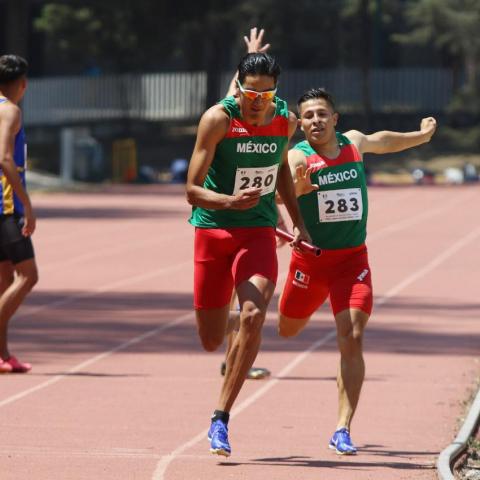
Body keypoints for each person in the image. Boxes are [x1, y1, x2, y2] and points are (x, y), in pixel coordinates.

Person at [278, 87, 437, 454]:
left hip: (352, 262)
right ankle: (304, 303)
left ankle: (342, 429)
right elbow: (273, 193)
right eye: (308, 116)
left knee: (352, 336)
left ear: (335, 119)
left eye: (322, 114)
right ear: (300, 125)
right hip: (310, 263)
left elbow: (384, 141)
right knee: (288, 330)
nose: (315, 120)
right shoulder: (297, 159)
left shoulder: (352, 144)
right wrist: (294, 193)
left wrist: (422, 136)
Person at [186, 48, 310, 457]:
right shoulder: (217, 119)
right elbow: (191, 190)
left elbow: (281, 177)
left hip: (257, 231)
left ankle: (220, 417)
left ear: (277, 92)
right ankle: (234, 321)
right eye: (250, 95)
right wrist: (228, 200)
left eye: (267, 95)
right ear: (238, 89)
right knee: (209, 338)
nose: (259, 103)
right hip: (214, 232)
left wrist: (298, 222)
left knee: (256, 316)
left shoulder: (283, 121)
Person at [0, 55, 39, 373]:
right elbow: (4, 158)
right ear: (22, 84)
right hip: (6, 208)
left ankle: (2, 355)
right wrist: (27, 203)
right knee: (28, 276)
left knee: (5, 279)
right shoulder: (10, 110)